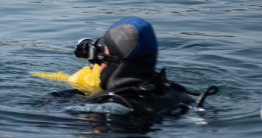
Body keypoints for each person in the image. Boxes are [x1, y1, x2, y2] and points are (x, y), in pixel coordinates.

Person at [74, 16, 215, 115]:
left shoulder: (110, 108)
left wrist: (73, 93)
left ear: (114, 64)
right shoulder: (179, 96)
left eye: (102, 57)